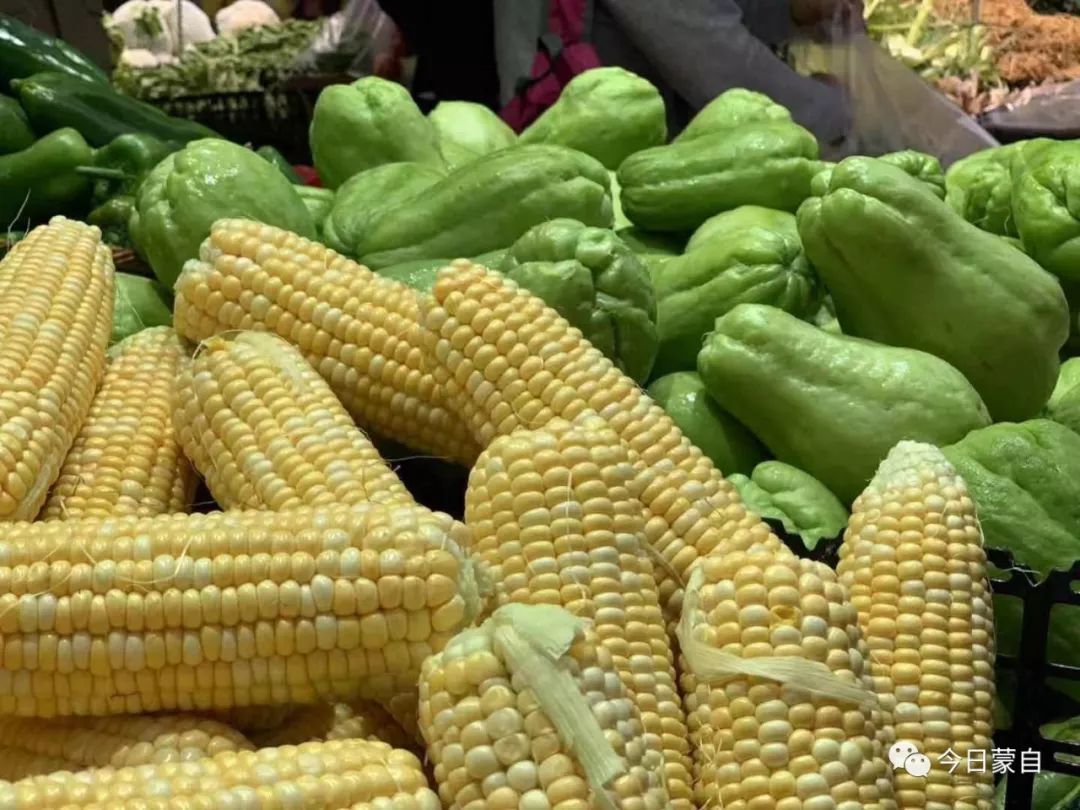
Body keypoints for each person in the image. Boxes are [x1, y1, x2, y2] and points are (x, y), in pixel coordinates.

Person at [493, 0, 862, 146]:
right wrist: (837, 111)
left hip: (645, 131)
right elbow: (721, 69)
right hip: (586, 148)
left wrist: (791, 12)